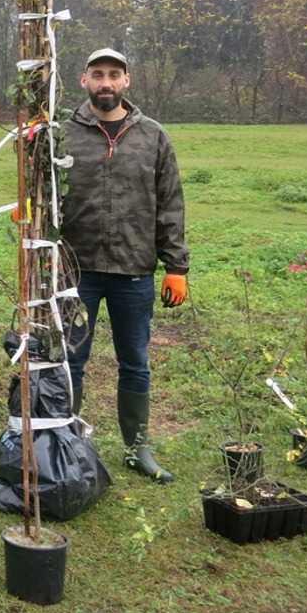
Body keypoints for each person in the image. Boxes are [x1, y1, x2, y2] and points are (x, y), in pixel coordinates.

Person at [63, 47, 188, 483]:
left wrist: (176, 266)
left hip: (134, 270)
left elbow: (170, 203)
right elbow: (41, 193)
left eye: (114, 75)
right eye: (98, 74)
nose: (106, 83)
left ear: (126, 81)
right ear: (84, 80)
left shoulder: (153, 136)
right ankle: (66, 445)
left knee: (134, 361)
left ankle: (137, 449)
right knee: (70, 360)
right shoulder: (63, 135)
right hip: (75, 270)